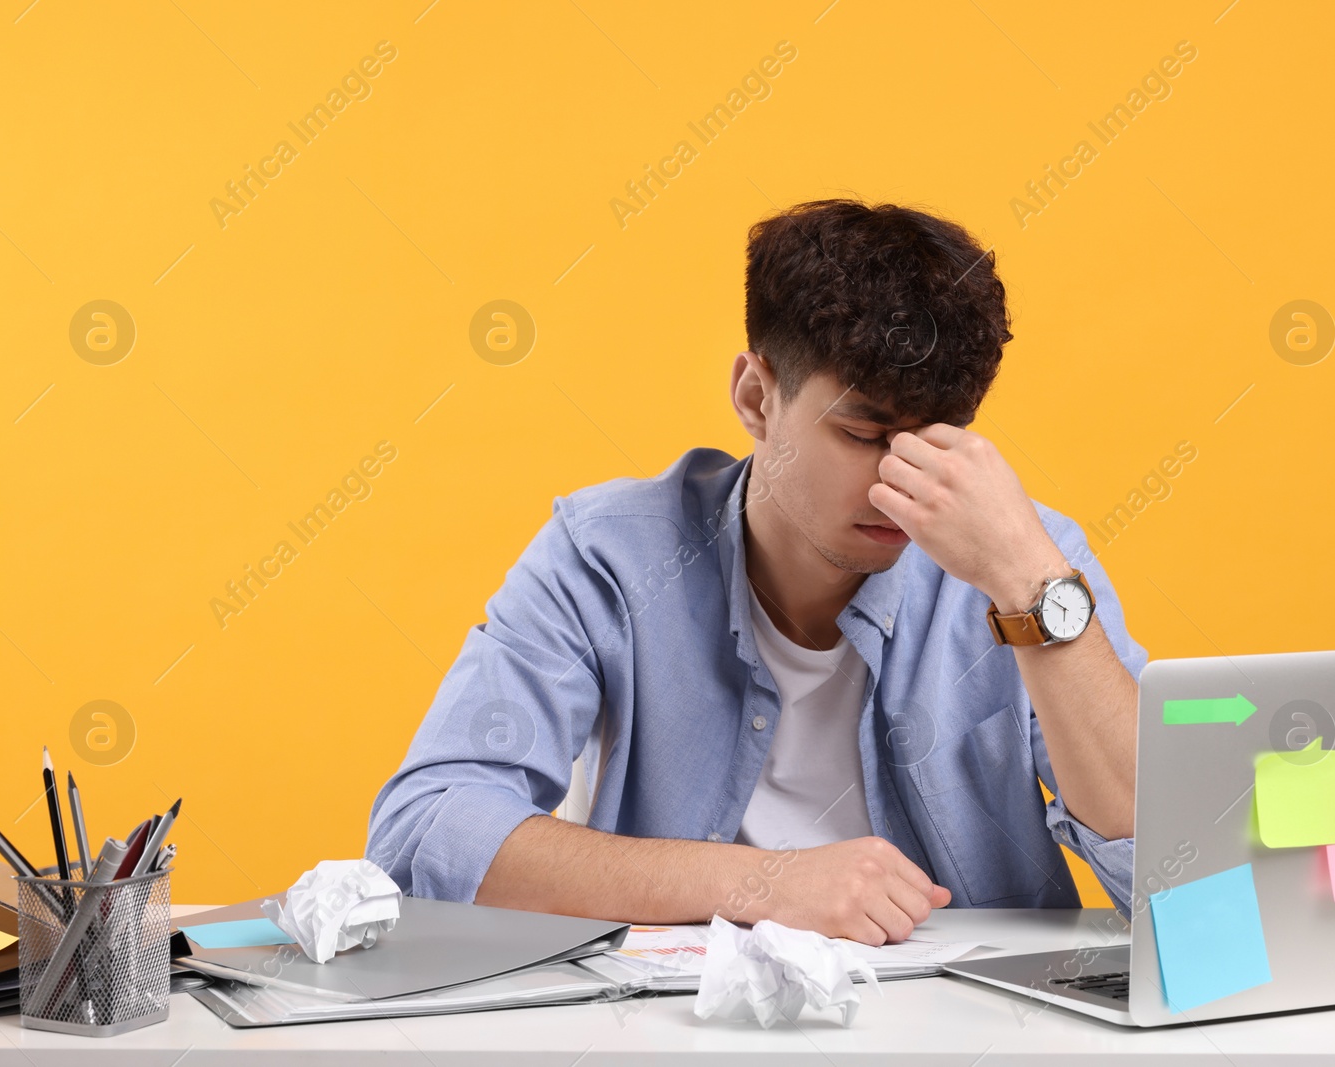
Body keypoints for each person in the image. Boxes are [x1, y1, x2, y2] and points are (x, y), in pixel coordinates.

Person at [367, 198, 1146, 946]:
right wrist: (763, 883)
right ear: (755, 395)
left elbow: (1174, 869)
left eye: (940, 440)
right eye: (864, 433)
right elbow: (425, 829)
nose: (906, 483)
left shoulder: (1031, 558)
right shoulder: (610, 554)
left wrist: (1031, 585)